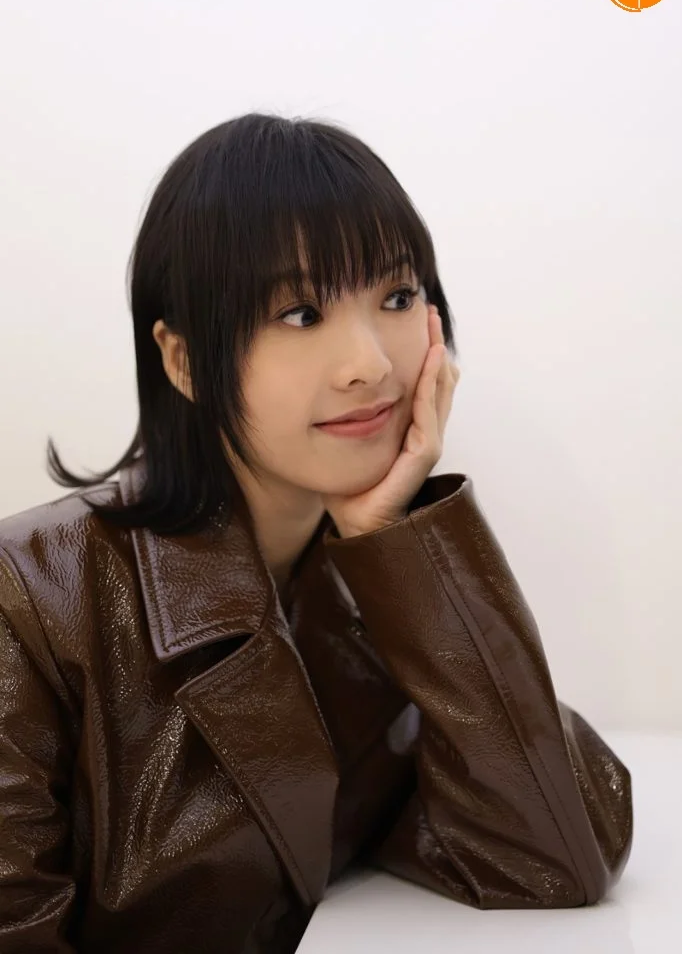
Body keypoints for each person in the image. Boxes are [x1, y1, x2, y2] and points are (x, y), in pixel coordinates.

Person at [0, 113, 633, 953]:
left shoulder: (366, 590)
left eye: (398, 297)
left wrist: (399, 543)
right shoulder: (27, 599)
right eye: (300, 313)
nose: (369, 362)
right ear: (184, 361)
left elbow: (554, 861)